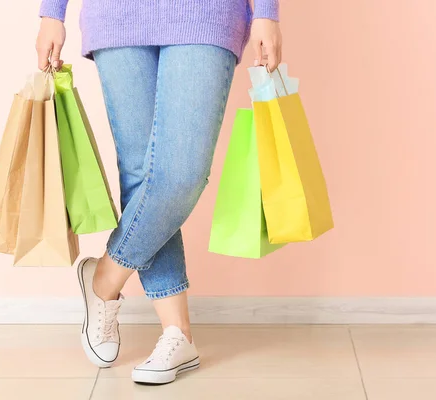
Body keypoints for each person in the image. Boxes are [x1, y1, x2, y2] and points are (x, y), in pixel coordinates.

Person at [36, 0, 282, 385]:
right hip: (116, 14)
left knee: (180, 174)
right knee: (140, 176)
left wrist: (266, 10)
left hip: (207, 12)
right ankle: (177, 333)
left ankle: (104, 280)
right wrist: (52, 12)